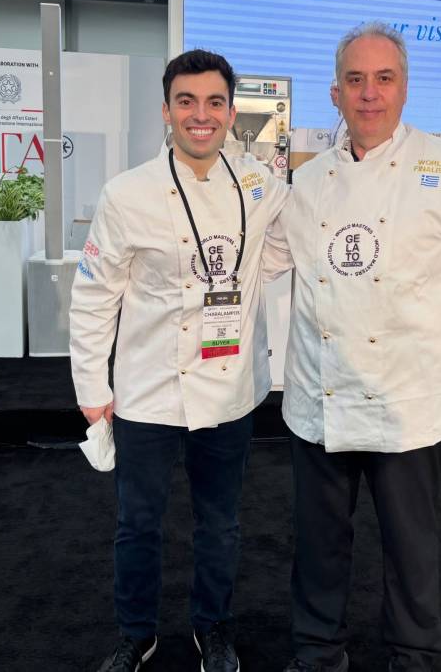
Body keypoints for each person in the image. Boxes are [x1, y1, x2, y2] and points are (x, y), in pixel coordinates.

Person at [264, 21, 441, 672]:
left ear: (404, 88)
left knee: (411, 546)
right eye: (355, 80)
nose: (369, 93)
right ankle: (318, 653)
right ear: (335, 93)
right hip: (321, 392)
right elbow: (264, 260)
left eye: (383, 78)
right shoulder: (308, 182)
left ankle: (414, 656)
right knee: (318, 545)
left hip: (410, 392)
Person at [70, 49, 288, 672]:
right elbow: (95, 297)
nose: (201, 115)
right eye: (186, 102)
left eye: (215, 102)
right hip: (148, 389)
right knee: (138, 523)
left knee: (220, 524)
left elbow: (282, 245)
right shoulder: (127, 194)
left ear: (231, 113)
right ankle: (135, 634)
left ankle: (212, 628)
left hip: (229, 389)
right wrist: (91, 386)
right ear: (166, 111)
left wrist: (247, 281)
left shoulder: (258, 186)